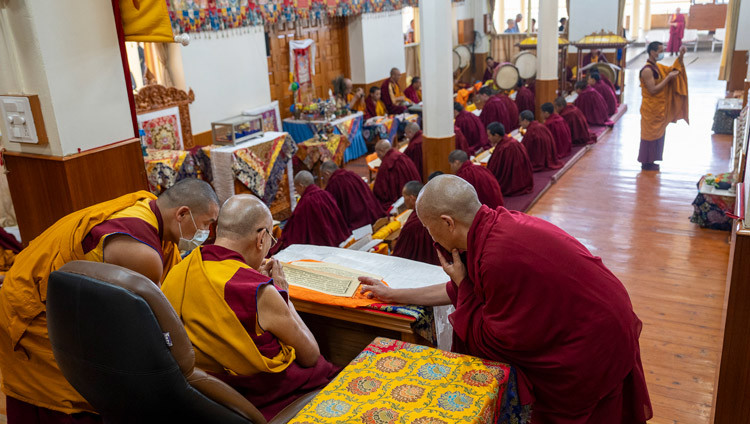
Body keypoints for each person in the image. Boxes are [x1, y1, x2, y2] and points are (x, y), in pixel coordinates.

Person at [359, 175, 653, 423]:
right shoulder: (492, 225)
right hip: (605, 312)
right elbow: (460, 292)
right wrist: (392, 294)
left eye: (427, 227)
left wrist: (462, 284)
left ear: (447, 223)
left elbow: (497, 341)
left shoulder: (495, 256)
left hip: (595, 338)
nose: (429, 235)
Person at [0, 179, 220, 422]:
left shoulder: (145, 205)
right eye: (207, 223)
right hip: (32, 309)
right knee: (72, 389)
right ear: (182, 214)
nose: (207, 233)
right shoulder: (141, 252)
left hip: (46, 289)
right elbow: (156, 325)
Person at [161, 195, 339, 421]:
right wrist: (283, 295)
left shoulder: (180, 270)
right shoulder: (259, 291)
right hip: (255, 399)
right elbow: (311, 356)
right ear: (262, 238)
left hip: (200, 398)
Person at [270, 171, 350, 254]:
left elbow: (294, 233)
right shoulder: (326, 194)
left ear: (301, 186)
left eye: (296, 188)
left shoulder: (306, 202)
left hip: (320, 247)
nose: (297, 191)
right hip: (336, 240)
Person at [639, 42, 688, 171]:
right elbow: (653, 90)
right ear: (652, 52)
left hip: (659, 108)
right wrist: (668, 79)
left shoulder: (658, 66)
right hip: (651, 108)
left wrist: (681, 56)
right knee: (649, 136)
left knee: (658, 135)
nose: (662, 52)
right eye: (660, 50)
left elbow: (673, 69)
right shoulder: (647, 70)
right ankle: (646, 162)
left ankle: (652, 160)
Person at [321, 161, 386, 231]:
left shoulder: (333, 185)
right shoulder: (352, 174)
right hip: (373, 214)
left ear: (327, 173)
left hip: (359, 224)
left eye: (323, 177)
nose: (324, 180)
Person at [391, 181, 440, 266]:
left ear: (412, 198)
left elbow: (400, 255)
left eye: (404, 196)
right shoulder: (433, 210)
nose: (403, 200)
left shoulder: (412, 225)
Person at [486, 122, 534, 196]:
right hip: (524, 179)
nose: (488, 138)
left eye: (489, 136)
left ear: (496, 135)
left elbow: (496, 170)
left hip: (512, 184)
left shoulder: (504, 149)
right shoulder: (513, 141)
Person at [372, 140, 422, 209]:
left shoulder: (385, 165)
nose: (378, 156)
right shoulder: (402, 156)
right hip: (415, 193)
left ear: (381, 151)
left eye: (377, 153)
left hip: (401, 200)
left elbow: (380, 193)